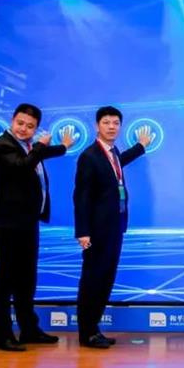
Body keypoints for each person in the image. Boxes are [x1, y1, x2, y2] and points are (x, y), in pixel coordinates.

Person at [0, 103, 72, 352]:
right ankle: (3, 335)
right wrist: (40, 146)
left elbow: (39, 155)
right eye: (20, 123)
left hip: (27, 221)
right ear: (12, 120)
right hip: (9, 224)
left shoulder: (26, 146)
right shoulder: (3, 145)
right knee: (6, 280)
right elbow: (23, 165)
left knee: (26, 279)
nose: (24, 129)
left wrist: (63, 147)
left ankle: (29, 329)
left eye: (30, 126)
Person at [73, 106, 153, 349]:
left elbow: (118, 164)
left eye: (116, 123)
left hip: (115, 226)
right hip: (96, 230)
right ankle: (87, 332)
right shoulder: (89, 156)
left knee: (106, 278)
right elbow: (81, 196)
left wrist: (141, 146)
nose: (111, 127)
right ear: (97, 126)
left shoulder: (112, 152)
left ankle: (94, 328)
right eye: (106, 122)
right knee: (93, 279)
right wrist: (83, 231)